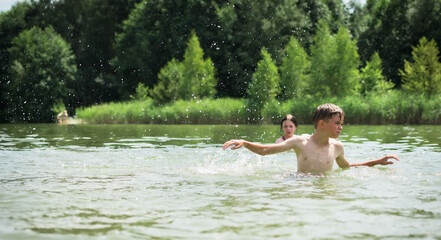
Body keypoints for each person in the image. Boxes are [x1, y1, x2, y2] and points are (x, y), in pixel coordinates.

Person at [222, 103, 399, 173]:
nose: (341, 127)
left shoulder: (337, 147)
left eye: (341, 123)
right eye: (337, 123)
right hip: (300, 185)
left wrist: (376, 162)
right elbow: (266, 150)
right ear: (322, 124)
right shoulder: (300, 142)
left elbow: (348, 167)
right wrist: (245, 142)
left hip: (325, 189)